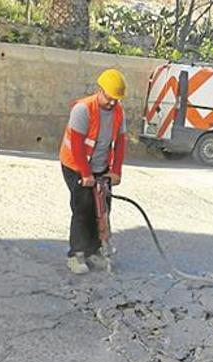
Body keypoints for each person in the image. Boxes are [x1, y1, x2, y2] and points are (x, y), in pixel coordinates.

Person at [59, 69, 127, 274]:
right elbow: (77, 145)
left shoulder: (118, 112)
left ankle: (94, 250)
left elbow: (121, 143)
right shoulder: (83, 110)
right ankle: (76, 254)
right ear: (100, 90)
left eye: (117, 99)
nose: (113, 103)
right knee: (82, 208)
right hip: (75, 165)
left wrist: (116, 171)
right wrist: (86, 174)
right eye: (109, 98)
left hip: (101, 167)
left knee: (103, 208)